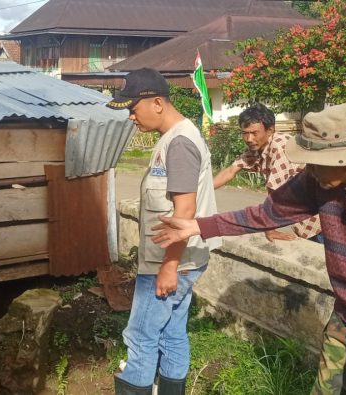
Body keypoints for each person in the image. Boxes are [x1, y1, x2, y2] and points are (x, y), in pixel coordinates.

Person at [151, 102, 346, 394]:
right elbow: (269, 213)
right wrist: (199, 226)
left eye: (315, 161)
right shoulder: (319, 180)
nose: (307, 168)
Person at [106, 68, 220, 395]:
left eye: (132, 108)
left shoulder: (180, 143)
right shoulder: (173, 138)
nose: (130, 116)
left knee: (141, 337)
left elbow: (184, 212)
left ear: (157, 102)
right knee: (171, 333)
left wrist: (168, 266)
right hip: (180, 259)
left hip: (170, 263)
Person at [212, 103, 322, 242]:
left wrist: (269, 229)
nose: (249, 139)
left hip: (319, 218)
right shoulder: (257, 147)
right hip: (303, 218)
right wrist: (199, 192)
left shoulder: (281, 145)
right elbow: (230, 171)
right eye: (245, 133)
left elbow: (275, 192)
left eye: (254, 133)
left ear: (270, 130)